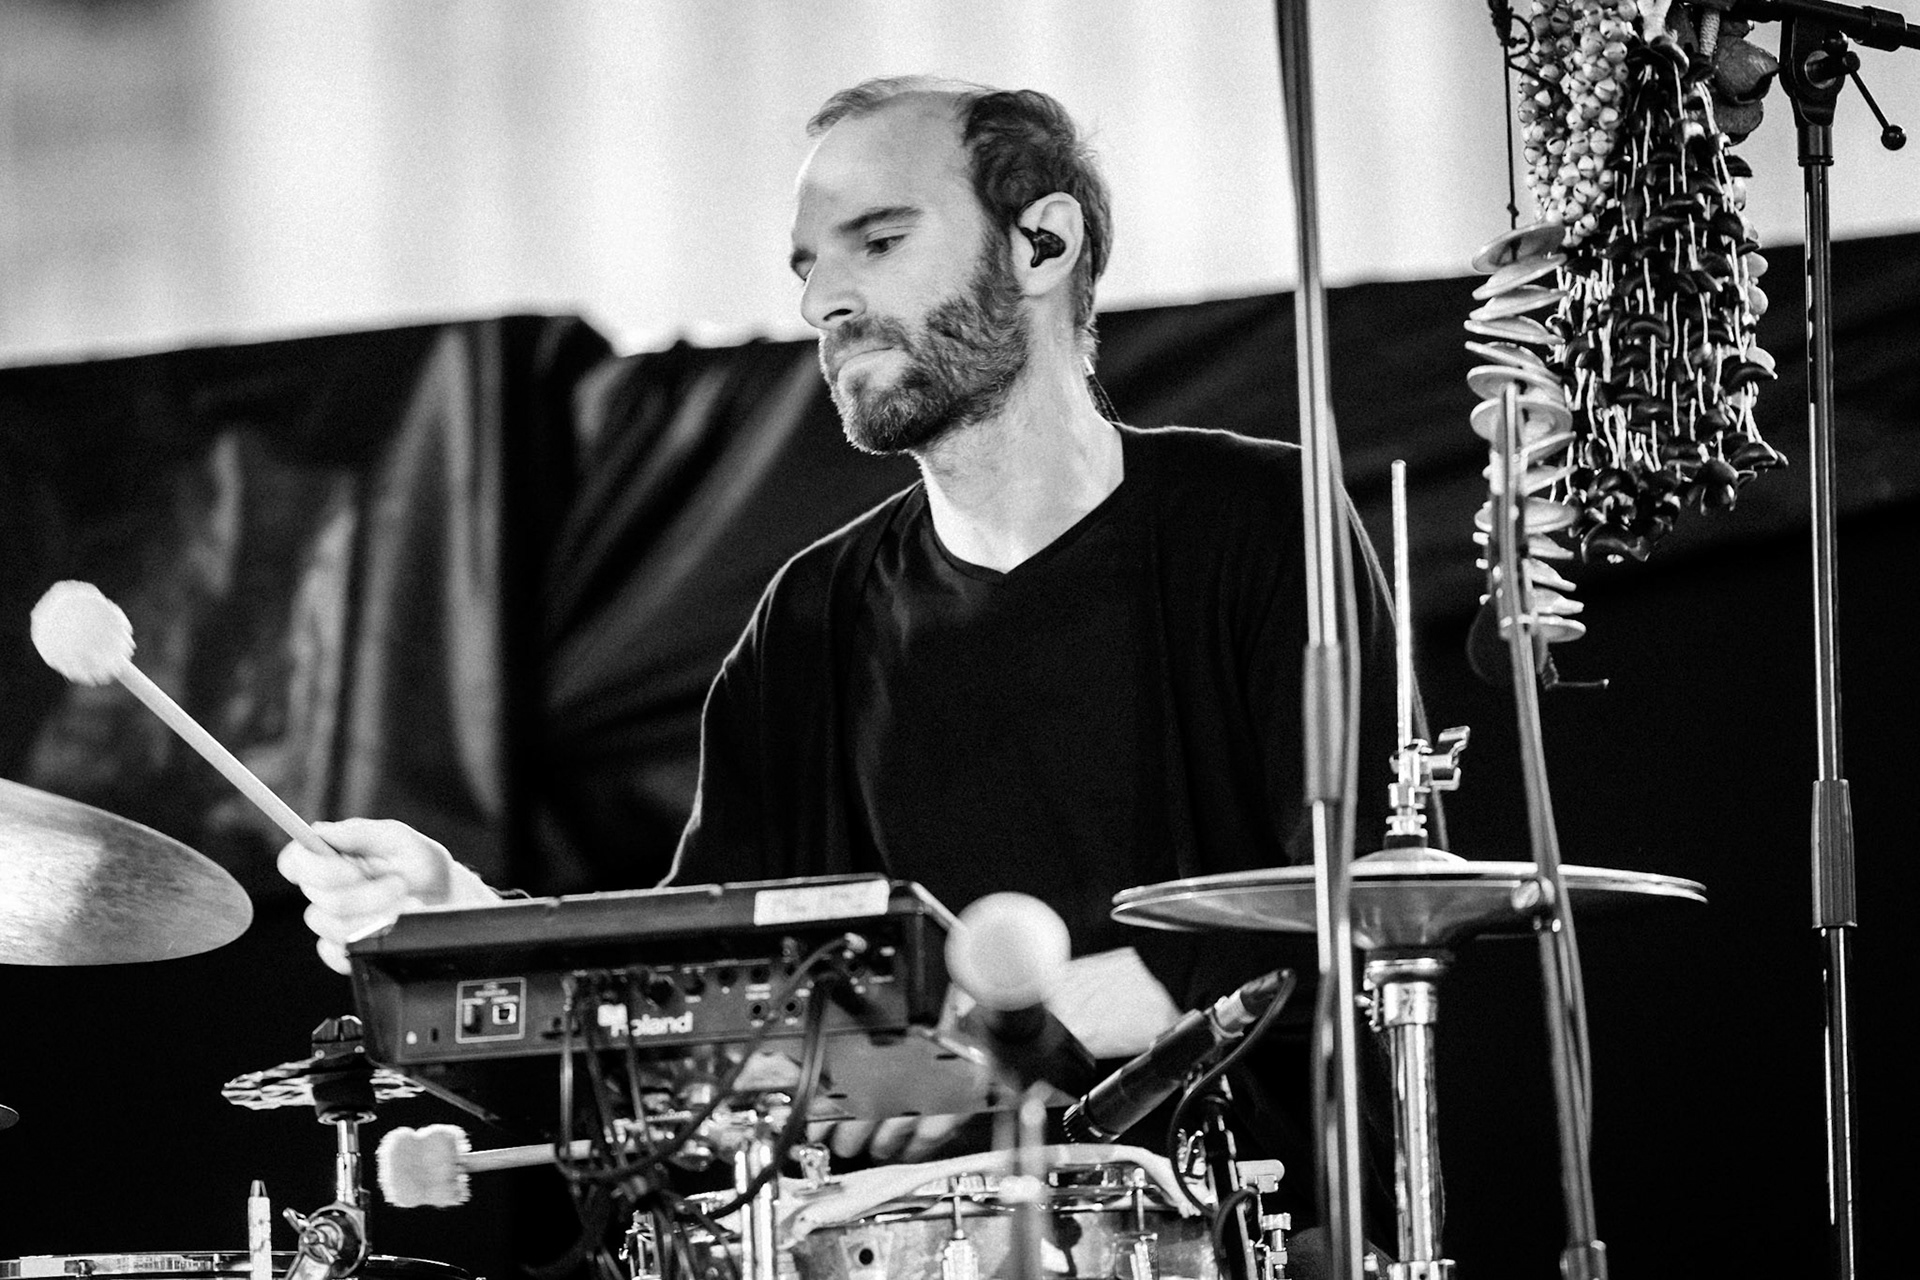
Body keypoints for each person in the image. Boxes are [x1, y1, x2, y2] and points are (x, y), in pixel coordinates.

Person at [280, 75, 1395, 1254]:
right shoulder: (810, 619)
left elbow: (1352, 899)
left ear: (1042, 242)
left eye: (878, 239)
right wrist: (458, 918)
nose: (824, 297)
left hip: (1246, 1225)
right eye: (808, 264)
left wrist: (999, 1031)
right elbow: (704, 989)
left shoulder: (1267, 524)